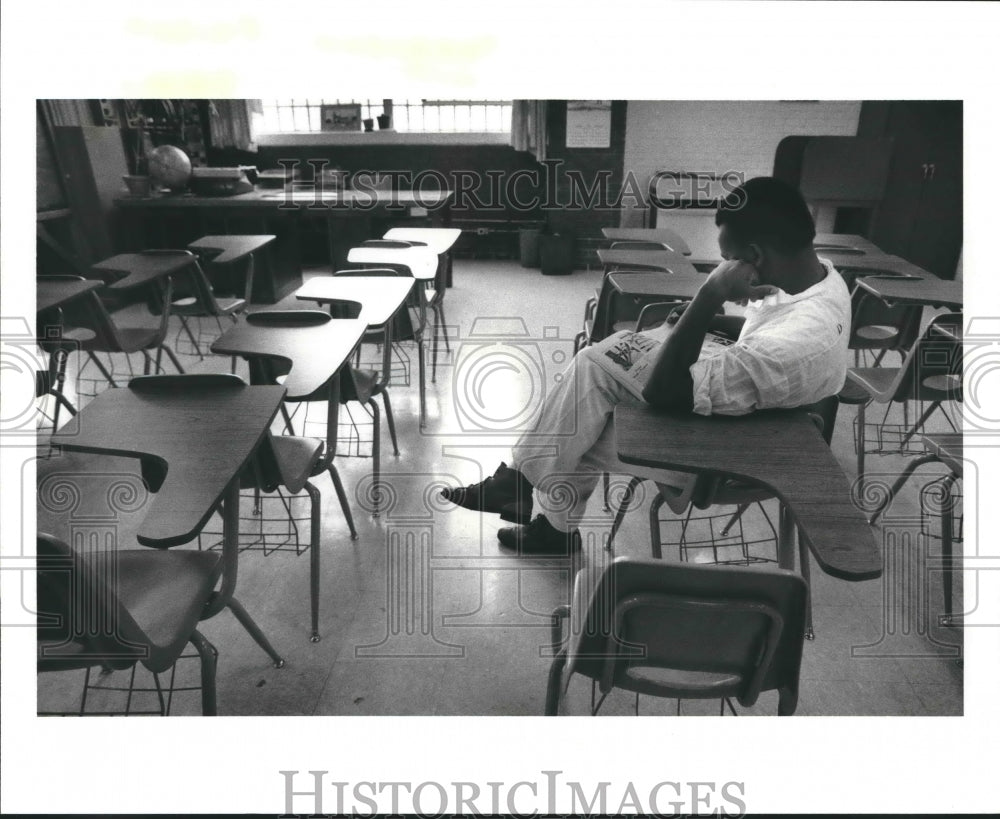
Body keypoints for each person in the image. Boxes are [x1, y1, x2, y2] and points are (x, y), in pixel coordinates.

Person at [442, 177, 852, 554]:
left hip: (740, 452)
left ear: (756, 256)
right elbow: (766, 330)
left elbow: (664, 392)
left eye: (727, 261)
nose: (721, 269)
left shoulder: (795, 345)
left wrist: (708, 297)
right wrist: (710, 319)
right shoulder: (820, 281)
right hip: (754, 412)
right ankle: (526, 497)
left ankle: (531, 502)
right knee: (588, 380)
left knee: (579, 424)